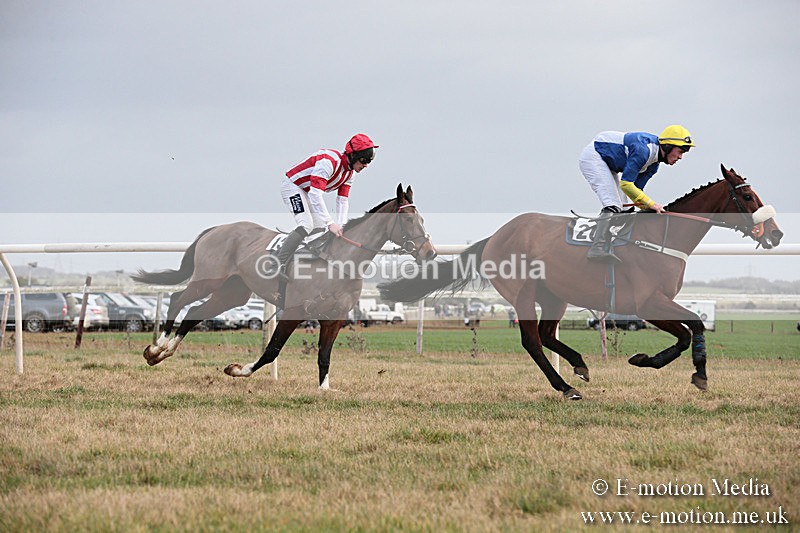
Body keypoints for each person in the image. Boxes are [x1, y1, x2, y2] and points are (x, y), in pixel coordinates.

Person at [579, 125, 695, 262]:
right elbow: (626, 185)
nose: (680, 157)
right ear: (668, 146)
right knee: (613, 204)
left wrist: (650, 209)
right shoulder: (643, 151)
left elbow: (636, 193)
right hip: (595, 156)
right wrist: (651, 204)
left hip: (609, 162)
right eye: (680, 151)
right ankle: (596, 248)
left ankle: (613, 243)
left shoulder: (653, 166)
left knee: (626, 208)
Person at [271, 133, 378, 279]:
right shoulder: (328, 163)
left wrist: (341, 226)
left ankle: (303, 259)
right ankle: (277, 264)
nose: (365, 165)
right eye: (363, 160)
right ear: (352, 155)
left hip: (307, 191)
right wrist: (330, 223)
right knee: (306, 224)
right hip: (293, 186)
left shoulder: (350, 174)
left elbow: (342, 201)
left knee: (320, 227)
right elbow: (316, 195)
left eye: (368, 162)